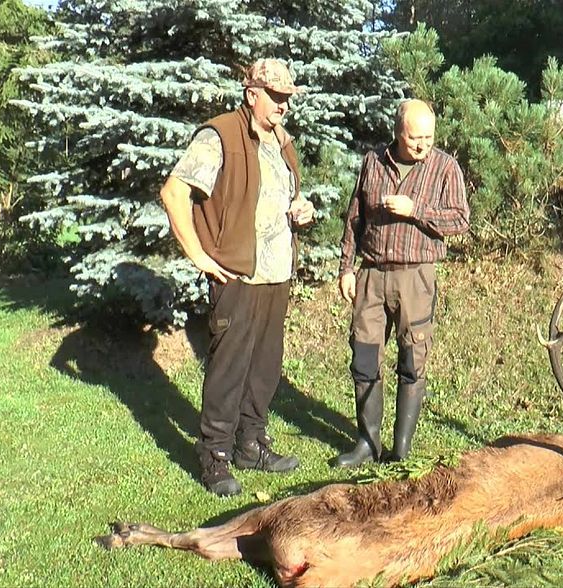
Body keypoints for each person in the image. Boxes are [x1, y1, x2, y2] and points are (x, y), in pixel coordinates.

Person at [160, 58, 315, 496]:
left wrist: (300, 210)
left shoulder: (281, 142)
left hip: (275, 273)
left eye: (289, 98)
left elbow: (278, 198)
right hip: (236, 274)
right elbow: (174, 193)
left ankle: (251, 443)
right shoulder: (220, 136)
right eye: (278, 97)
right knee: (229, 368)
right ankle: (214, 455)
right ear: (252, 94)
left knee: (264, 367)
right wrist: (200, 256)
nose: (285, 105)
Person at [334, 99, 470, 467]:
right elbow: (354, 218)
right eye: (414, 138)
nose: (422, 144)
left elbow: (460, 220)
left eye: (428, 136)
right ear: (397, 131)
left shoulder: (444, 167)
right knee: (364, 358)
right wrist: (347, 268)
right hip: (372, 274)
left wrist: (416, 211)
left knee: (412, 359)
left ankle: (401, 450)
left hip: (416, 276)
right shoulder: (373, 162)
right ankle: (367, 443)